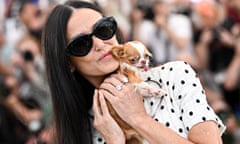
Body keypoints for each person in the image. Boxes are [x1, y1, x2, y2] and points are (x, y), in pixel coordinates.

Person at [42, 1, 226, 144]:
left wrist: (139, 119)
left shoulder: (174, 75)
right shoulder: (81, 128)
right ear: (68, 63)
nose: (99, 44)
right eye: (81, 44)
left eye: (103, 29)